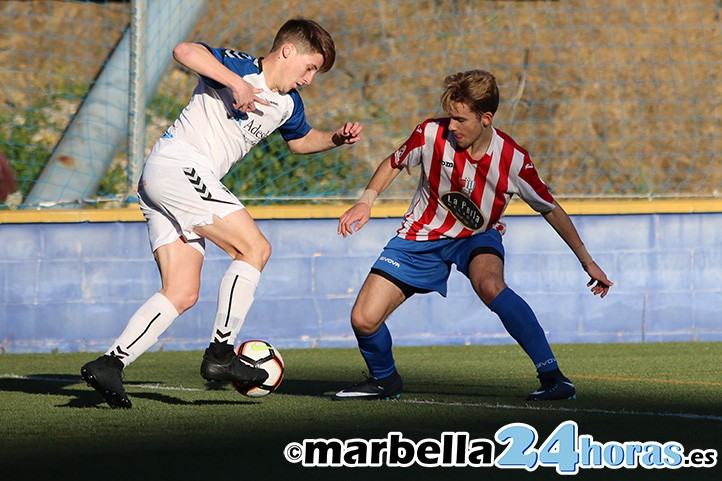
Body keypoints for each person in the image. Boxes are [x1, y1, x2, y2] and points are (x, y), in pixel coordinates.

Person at [81, 18, 362, 408]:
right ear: (287, 52)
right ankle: (220, 355)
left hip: (165, 182)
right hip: (179, 166)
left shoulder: (289, 104)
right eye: (310, 67)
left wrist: (335, 138)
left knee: (182, 292)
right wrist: (235, 83)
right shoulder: (240, 66)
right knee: (255, 249)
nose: (310, 79)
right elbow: (184, 51)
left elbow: (299, 142)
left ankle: (110, 363)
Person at [333, 70, 611, 402]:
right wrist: (366, 201)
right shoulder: (430, 133)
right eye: (450, 116)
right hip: (422, 235)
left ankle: (553, 378)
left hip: (476, 238)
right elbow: (393, 162)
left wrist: (587, 261)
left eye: (460, 119)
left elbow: (550, 208)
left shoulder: (513, 160)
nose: (452, 125)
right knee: (363, 319)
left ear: (486, 118)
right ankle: (384, 380)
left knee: (491, 285)